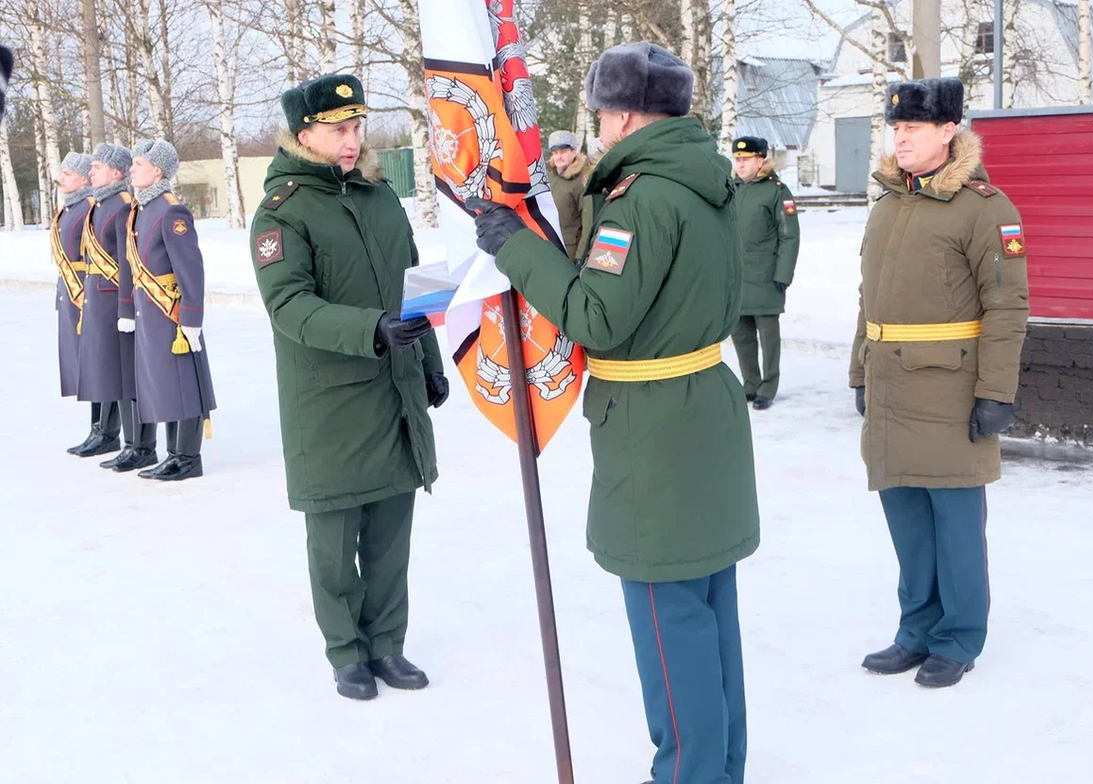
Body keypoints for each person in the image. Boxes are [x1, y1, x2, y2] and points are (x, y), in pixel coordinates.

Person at [469, 42, 759, 784]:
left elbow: (598, 316)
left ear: (624, 114)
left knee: (668, 620)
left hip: (655, 425)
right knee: (709, 610)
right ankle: (718, 768)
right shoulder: (703, 179)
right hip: (703, 410)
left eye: (600, 112)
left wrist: (516, 251)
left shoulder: (643, 198)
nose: (595, 126)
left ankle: (687, 775)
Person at [250, 73, 447, 701]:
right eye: (338, 129)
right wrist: (372, 330)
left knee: (391, 531)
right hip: (328, 400)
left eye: (357, 126)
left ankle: (388, 644)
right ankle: (346, 651)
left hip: (394, 386)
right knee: (334, 540)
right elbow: (289, 306)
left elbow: (416, 283)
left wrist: (431, 360)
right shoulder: (282, 211)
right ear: (304, 134)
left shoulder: (380, 195)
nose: (351, 140)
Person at [849, 77, 1029, 688]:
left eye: (913, 129)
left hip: (951, 391)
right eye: (895, 129)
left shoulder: (986, 208)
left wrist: (996, 393)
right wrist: (859, 372)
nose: (899, 139)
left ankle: (958, 637)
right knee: (906, 519)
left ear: (948, 131)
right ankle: (916, 631)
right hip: (892, 388)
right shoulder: (888, 204)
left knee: (954, 523)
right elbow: (867, 297)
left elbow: (1007, 306)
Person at [120, 139, 217, 481]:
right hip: (150, 311)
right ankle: (173, 453)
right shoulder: (142, 209)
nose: (131, 169)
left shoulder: (170, 210)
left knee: (182, 383)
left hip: (172, 313)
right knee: (163, 382)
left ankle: (187, 457)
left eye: (138, 164)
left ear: (157, 170)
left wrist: (191, 319)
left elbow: (190, 268)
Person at [75, 143, 142, 464]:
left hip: (114, 298)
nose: (91, 171)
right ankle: (102, 431)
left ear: (117, 172)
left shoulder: (122, 205)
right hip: (96, 298)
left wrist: (126, 306)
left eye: (97, 166)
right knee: (100, 367)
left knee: (120, 372)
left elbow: (128, 263)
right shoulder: (100, 205)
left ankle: (131, 442)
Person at [729, 135, 800, 411]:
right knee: (741, 335)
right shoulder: (732, 188)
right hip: (737, 277)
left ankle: (768, 386)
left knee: (768, 337)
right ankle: (750, 383)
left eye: (746, 160)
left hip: (766, 275)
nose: (741, 165)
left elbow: (790, 236)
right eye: (737, 159)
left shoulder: (776, 191)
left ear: (761, 160)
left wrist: (784, 273)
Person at [52, 152, 98, 452]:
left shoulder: (88, 209)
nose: (61, 178)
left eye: (67, 174)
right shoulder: (69, 209)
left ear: (83, 179)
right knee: (84, 364)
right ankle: (98, 427)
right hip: (69, 292)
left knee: (96, 363)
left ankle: (106, 429)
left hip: (85, 292)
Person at [545, 129, 592, 263]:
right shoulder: (549, 178)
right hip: (548, 245)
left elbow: (588, 222)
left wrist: (580, 256)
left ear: (574, 152)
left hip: (569, 252)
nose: (559, 156)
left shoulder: (582, 181)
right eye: (555, 152)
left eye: (563, 151)